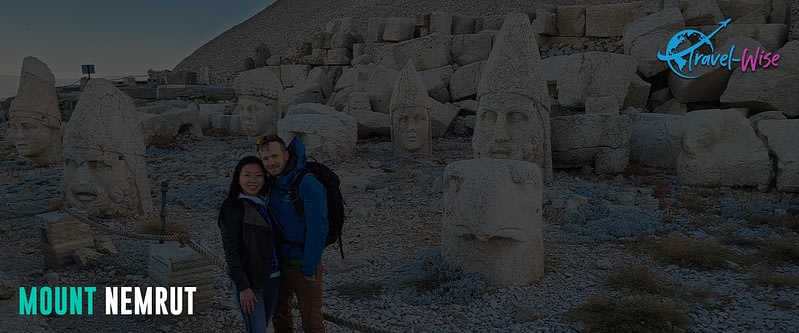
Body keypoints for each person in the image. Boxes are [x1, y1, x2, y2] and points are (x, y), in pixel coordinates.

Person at [257, 134, 328, 333]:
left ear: (286, 155)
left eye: (274, 156)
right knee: (280, 317)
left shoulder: (308, 184)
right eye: (266, 159)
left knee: (312, 324)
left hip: (303, 265)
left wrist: (309, 267)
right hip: (277, 265)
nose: (271, 162)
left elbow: (318, 228)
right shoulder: (270, 184)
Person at [218, 156, 281, 333]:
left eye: (259, 175)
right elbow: (231, 252)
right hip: (251, 282)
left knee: (262, 324)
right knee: (257, 329)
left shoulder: (266, 204)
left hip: (273, 278)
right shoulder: (233, 208)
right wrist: (244, 287)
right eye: (247, 175)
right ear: (238, 178)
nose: (253, 180)